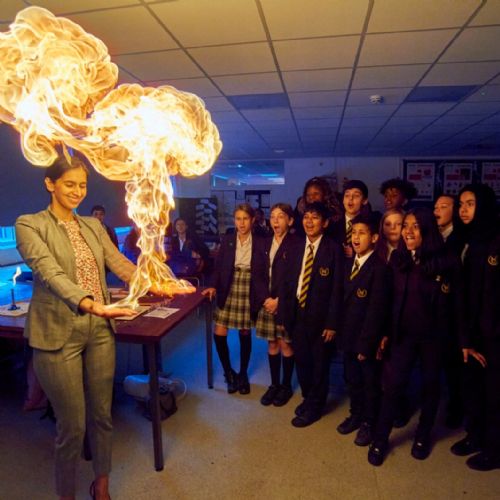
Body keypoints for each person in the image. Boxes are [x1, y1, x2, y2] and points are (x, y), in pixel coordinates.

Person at [14, 155, 154, 500]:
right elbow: (49, 272)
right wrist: (88, 302)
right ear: (50, 184)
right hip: (58, 331)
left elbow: (117, 261)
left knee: (102, 415)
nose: (77, 191)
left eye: (82, 185)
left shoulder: (92, 225)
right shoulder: (29, 224)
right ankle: (67, 495)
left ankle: (101, 486)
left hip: (99, 329)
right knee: (72, 426)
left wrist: (152, 280)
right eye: (69, 184)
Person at [368, 208, 464, 466]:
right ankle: (380, 439)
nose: (407, 231)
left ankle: (422, 436)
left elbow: (458, 305)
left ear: (427, 230)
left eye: (415, 226)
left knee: (431, 387)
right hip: (403, 335)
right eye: (405, 226)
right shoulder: (398, 259)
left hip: (434, 338)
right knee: (393, 387)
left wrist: (464, 341)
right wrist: (383, 333)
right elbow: (387, 301)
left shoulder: (447, 261)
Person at [277, 202, 343, 427]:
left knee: (319, 365)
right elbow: (286, 284)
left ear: (325, 223)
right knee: (302, 361)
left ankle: (316, 407)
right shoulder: (296, 247)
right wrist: (283, 316)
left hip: (321, 319)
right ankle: (308, 398)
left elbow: (337, 289)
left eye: (315, 217)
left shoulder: (333, 249)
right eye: (306, 217)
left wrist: (332, 323)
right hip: (297, 314)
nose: (309, 221)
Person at [450, 183, 499, 471]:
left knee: (494, 392)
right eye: (461, 204)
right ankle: (475, 435)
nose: (463, 209)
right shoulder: (464, 239)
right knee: (472, 387)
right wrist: (466, 337)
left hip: (493, 333)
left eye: (470, 203)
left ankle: (495, 449)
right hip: (469, 330)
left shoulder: (495, 239)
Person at [337, 213, 392, 447]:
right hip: (348, 335)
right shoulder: (350, 263)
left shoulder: (379, 268)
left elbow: (377, 311)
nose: (356, 237)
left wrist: (366, 345)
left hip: (365, 339)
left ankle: (370, 422)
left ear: (375, 237)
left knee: (370, 383)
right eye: (353, 232)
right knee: (351, 379)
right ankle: (356, 414)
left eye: (362, 233)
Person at [202, 203, 261, 395]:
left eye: (245, 219)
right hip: (228, 284)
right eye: (238, 219)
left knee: (245, 331)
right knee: (219, 332)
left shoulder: (261, 241)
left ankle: (243, 374)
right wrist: (212, 285)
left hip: (248, 285)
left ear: (252, 220)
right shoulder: (227, 239)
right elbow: (218, 267)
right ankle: (228, 372)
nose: (241, 223)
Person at [253, 203, 298, 407]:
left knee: (285, 344)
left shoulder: (297, 244)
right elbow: (257, 274)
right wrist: (266, 299)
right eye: (272, 216)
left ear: (290, 220)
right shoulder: (264, 243)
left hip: (285, 301)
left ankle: (286, 386)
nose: (276, 220)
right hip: (267, 300)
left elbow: (296, 277)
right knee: (272, 343)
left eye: (280, 216)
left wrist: (280, 300)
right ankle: (274, 384)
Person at [434, 194, 464, 428]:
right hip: (434, 308)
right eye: (436, 206)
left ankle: (456, 408)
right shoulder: (434, 236)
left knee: (455, 366)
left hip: (453, 308)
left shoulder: (460, 238)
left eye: (444, 207)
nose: (438, 210)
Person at [331, 180, 370, 258]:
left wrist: (356, 253)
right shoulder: (333, 224)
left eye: (356, 196)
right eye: (347, 195)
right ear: (343, 200)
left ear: (365, 201)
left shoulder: (370, 224)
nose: (350, 199)